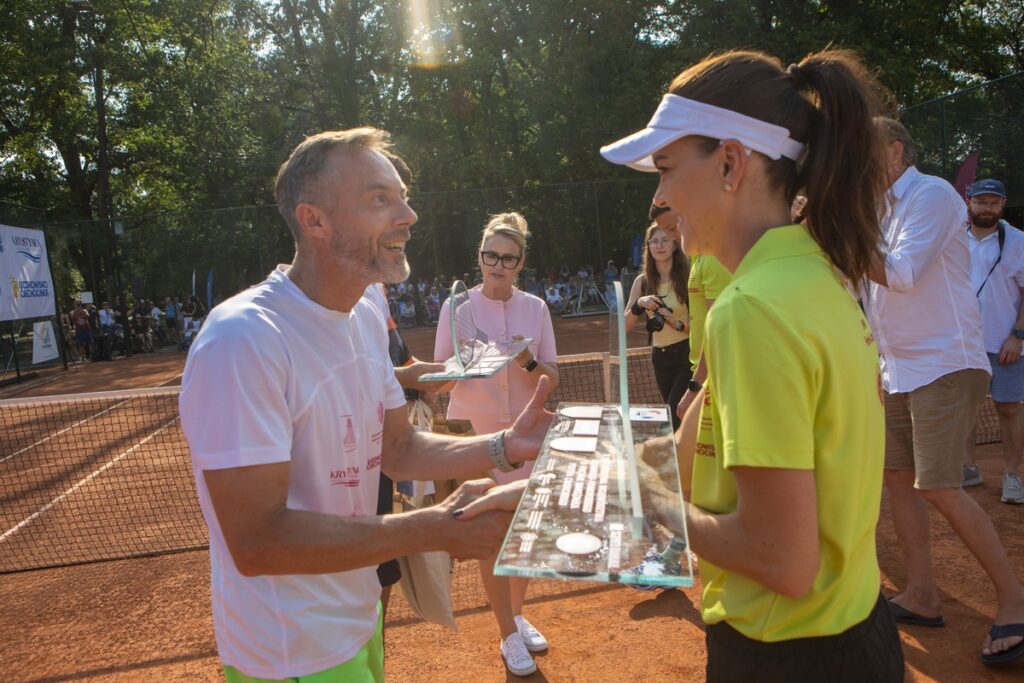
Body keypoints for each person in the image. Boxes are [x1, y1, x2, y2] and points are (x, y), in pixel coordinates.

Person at [179, 128, 553, 682]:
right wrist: (432, 526)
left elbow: (397, 447)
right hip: (291, 656)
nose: (408, 215)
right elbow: (256, 540)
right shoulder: (243, 339)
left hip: (356, 623)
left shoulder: (363, 310)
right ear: (315, 221)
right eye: (380, 199)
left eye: (402, 196)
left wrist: (499, 447)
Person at [602, 49, 904, 681]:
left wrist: (647, 504)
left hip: (786, 654)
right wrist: (615, 476)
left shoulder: (751, 309)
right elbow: (706, 429)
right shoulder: (816, 273)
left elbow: (780, 558)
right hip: (854, 628)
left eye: (665, 168)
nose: (658, 197)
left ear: (732, 164)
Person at [867, 120, 1024, 666]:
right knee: (898, 480)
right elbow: (861, 291)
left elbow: (901, 273)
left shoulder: (930, 194)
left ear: (893, 151)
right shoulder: (879, 211)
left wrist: (840, 227)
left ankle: (1014, 601)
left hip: (945, 364)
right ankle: (922, 594)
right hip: (899, 369)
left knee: (936, 485)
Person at [433, 211, 559, 677]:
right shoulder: (456, 309)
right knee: (494, 538)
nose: (498, 265)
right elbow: (441, 383)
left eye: (508, 258)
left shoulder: (536, 309)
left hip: (525, 437)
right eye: (491, 256)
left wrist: (525, 360)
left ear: (521, 262)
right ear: (479, 257)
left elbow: (552, 376)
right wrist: (463, 365)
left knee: (524, 533)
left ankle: (518, 615)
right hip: (477, 438)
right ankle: (507, 633)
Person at [963, 178, 1024, 505]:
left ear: (1003, 205)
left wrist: (1018, 336)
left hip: (1005, 346)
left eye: (994, 202)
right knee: (967, 409)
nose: (987, 208)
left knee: (1009, 408)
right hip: (962, 344)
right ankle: (968, 467)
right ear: (968, 201)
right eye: (981, 201)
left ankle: (1012, 475)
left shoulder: (1018, 242)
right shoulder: (951, 237)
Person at [625, 222, 690, 430]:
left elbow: (702, 323)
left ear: (674, 245)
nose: (659, 246)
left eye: (664, 240)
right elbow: (624, 326)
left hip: (686, 355)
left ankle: (666, 456)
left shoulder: (688, 277)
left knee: (671, 417)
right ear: (648, 247)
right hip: (659, 358)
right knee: (678, 419)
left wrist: (675, 323)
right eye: (654, 241)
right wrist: (639, 304)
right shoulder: (641, 282)